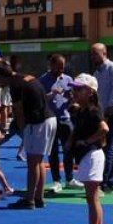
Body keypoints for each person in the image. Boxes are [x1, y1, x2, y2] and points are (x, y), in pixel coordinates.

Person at [66, 74, 109, 224]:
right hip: (89, 155)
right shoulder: (85, 110)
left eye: (79, 89)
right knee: (94, 198)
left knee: (92, 198)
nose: (74, 91)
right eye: (74, 88)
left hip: (92, 155)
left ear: (90, 92)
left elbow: (104, 129)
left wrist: (87, 141)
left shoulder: (93, 110)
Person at [5, 62, 56, 209]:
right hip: (48, 118)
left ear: (2, 77)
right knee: (39, 161)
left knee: (33, 162)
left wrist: (24, 132)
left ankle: (29, 199)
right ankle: (39, 198)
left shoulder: (15, 85)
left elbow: (19, 112)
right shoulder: (27, 77)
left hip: (37, 122)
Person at [90, 43, 113, 193]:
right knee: (108, 147)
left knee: (107, 148)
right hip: (104, 113)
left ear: (104, 53)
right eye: (91, 54)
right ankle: (110, 182)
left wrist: (104, 117)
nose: (93, 57)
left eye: (95, 54)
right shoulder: (97, 73)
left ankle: (103, 182)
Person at [39, 53, 75, 192]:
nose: (60, 70)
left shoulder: (68, 79)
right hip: (51, 120)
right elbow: (41, 100)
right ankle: (56, 180)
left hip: (65, 119)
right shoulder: (43, 80)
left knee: (69, 149)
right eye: (58, 67)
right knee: (53, 151)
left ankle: (70, 178)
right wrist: (52, 93)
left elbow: (73, 99)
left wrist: (71, 97)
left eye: (62, 67)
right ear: (51, 65)